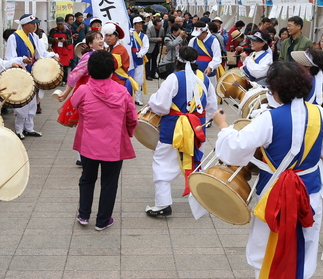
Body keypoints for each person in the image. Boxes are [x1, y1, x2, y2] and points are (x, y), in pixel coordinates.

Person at [213, 62, 323, 279]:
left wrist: (223, 126)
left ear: (276, 90)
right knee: (306, 243)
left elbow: (234, 149)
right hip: (309, 193)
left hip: (273, 195)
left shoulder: (268, 118)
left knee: (266, 246)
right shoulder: (320, 114)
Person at [146, 46, 217, 217]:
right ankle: (198, 198)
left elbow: (161, 105)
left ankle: (163, 203)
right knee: (195, 161)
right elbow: (212, 107)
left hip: (173, 126)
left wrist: (152, 100)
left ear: (177, 59)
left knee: (163, 161)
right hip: (197, 127)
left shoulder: (173, 78)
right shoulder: (204, 79)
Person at [72, 50, 137, 230]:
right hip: (114, 146)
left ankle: (84, 214)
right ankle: (103, 220)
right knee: (109, 183)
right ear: (111, 71)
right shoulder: (123, 92)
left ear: (90, 70)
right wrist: (128, 133)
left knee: (87, 178)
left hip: (88, 144)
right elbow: (132, 119)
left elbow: (74, 105)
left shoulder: (83, 90)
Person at [6, 14, 59, 139]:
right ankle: (19, 129)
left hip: (33, 71)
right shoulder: (14, 37)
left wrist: (52, 55)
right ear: (25, 25)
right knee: (22, 100)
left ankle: (29, 127)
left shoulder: (34, 36)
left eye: (36, 23)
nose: (35, 25)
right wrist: (22, 60)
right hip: (21, 73)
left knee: (32, 102)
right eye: (33, 23)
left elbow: (41, 53)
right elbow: (10, 58)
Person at [103, 22, 137, 94]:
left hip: (118, 81)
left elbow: (111, 65)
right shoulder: (108, 48)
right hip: (112, 81)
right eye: (106, 35)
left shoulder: (120, 49)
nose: (108, 38)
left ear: (117, 37)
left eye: (110, 36)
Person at [48, 17, 73, 85]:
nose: (60, 25)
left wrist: (64, 41)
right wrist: (54, 40)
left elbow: (70, 41)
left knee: (64, 67)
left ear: (63, 23)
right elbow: (49, 40)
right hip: (55, 50)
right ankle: (55, 80)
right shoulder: (52, 30)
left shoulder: (67, 31)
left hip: (64, 50)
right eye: (58, 24)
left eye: (61, 24)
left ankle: (64, 80)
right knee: (55, 66)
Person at [130, 17, 149, 106]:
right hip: (130, 58)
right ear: (134, 25)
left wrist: (140, 54)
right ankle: (130, 97)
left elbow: (145, 47)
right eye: (138, 23)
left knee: (139, 80)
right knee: (130, 78)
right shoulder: (130, 34)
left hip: (138, 58)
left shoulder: (143, 36)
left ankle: (137, 98)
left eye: (141, 23)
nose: (140, 25)